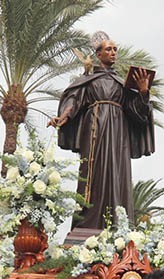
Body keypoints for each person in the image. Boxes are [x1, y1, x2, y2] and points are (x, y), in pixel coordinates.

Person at [49, 31, 155, 229]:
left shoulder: (122, 84)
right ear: (98, 54)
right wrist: (63, 117)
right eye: (109, 49)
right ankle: (87, 225)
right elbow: (73, 100)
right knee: (92, 174)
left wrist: (143, 91)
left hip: (118, 135)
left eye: (115, 49)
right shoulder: (88, 80)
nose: (114, 52)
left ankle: (119, 224)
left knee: (117, 174)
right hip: (94, 130)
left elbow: (139, 113)